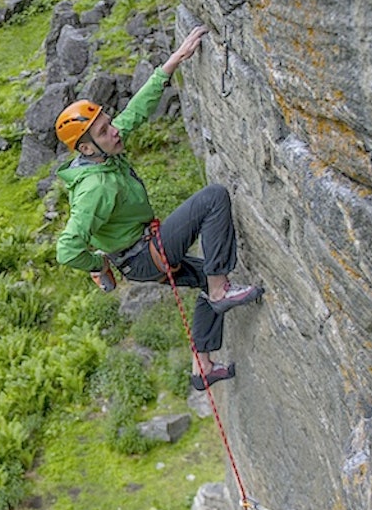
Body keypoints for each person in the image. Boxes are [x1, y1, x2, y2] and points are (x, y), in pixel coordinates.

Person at [54, 25, 263, 391]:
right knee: (213, 198)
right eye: (104, 132)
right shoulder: (95, 187)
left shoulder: (101, 157)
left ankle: (203, 367)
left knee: (204, 278)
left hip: (139, 253)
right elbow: (67, 249)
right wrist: (98, 265)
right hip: (142, 256)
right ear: (86, 148)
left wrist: (173, 61)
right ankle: (220, 291)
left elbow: (134, 112)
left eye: (108, 124)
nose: (113, 131)